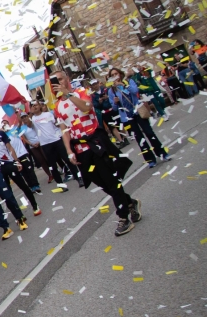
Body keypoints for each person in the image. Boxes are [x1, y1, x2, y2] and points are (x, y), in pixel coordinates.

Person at [53, 70, 142, 237]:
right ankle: (129, 202)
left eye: (60, 79)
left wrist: (68, 93)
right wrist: (69, 151)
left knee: (111, 179)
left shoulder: (81, 92)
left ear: (67, 79)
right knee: (102, 183)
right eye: (55, 81)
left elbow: (86, 109)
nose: (58, 83)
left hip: (97, 144)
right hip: (81, 150)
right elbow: (64, 129)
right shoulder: (57, 106)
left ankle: (123, 218)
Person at [107, 67, 170, 168]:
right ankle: (150, 159)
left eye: (116, 74)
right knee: (139, 137)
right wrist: (115, 102)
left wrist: (123, 85)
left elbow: (135, 90)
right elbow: (114, 108)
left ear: (120, 74)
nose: (115, 76)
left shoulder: (128, 81)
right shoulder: (111, 91)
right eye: (112, 75)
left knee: (149, 132)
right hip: (127, 116)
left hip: (138, 111)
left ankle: (162, 153)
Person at [29, 102, 83, 188]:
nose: (35, 106)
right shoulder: (33, 119)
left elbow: (56, 124)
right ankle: (61, 185)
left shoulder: (48, 114)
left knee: (67, 159)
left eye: (36, 105)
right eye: (33, 105)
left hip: (56, 140)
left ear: (40, 106)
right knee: (52, 165)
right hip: (45, 144)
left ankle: (79, 178)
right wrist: (31, 112)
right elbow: (28, 124)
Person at [5, 121, 43, 198]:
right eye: (3, 125)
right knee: (23, 173)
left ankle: (36, 185)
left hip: (23, 153)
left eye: (5, 124)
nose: (4, 126)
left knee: (30, 170)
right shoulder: (4, 137)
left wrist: (16, 112)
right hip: (15, 158)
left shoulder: (14, 131)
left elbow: (19, 122)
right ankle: (31, 186)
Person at [19, 112, 53, 180]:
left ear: (28, 116)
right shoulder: (22, 128)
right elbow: (24, 139)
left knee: (47, 158)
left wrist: (39, 141)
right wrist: (31, 144)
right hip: (32, 146)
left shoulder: (33, 123)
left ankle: (54, 171)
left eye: (25, 116)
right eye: (22, 117)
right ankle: (49, 175)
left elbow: (40, 131)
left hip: (41, 142)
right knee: (41, 160)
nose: (24, 118)